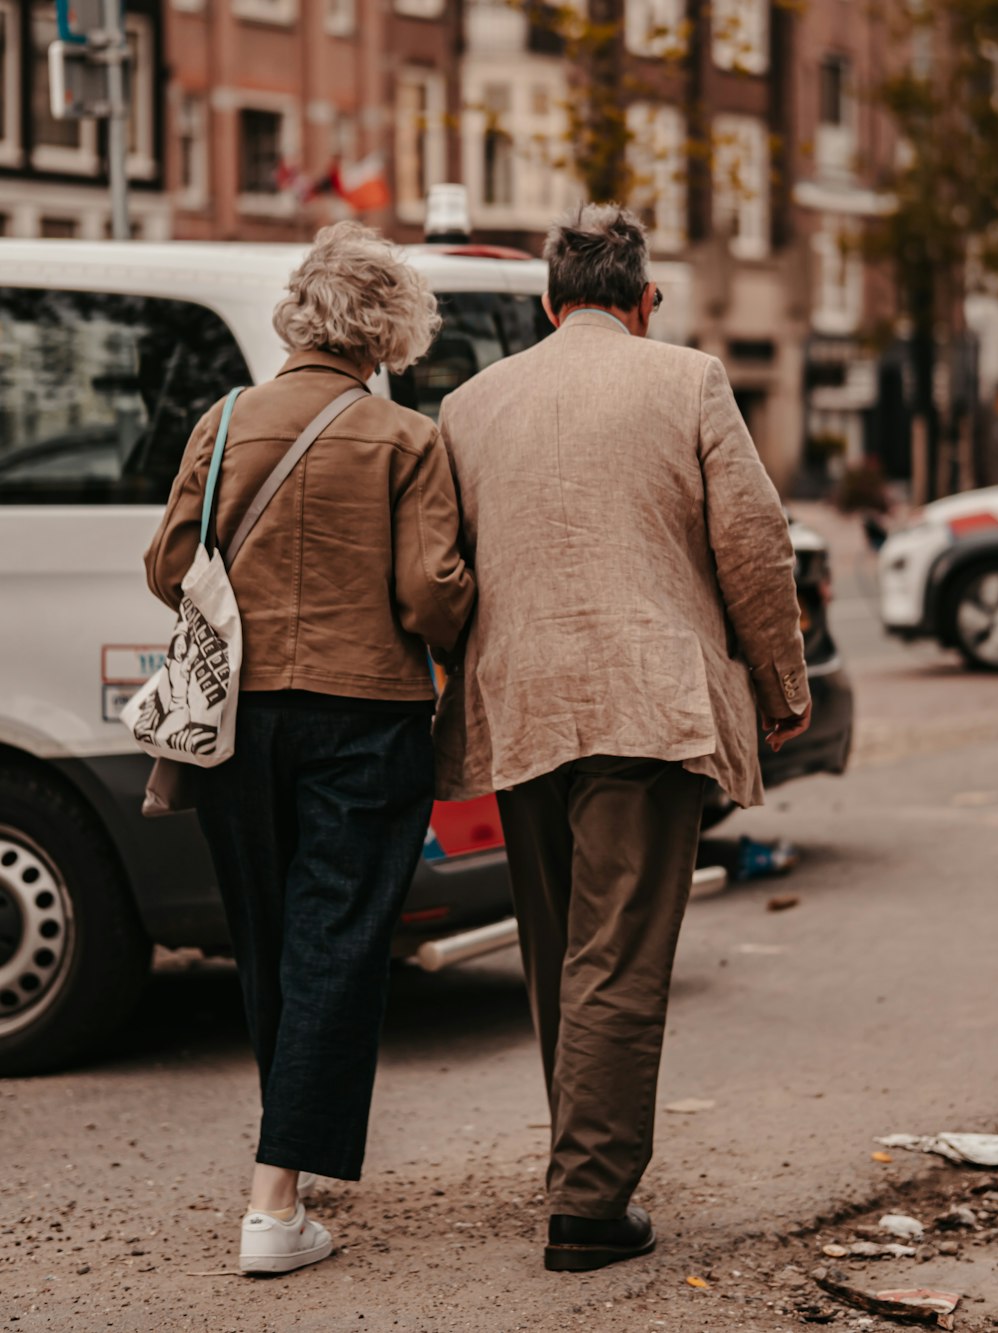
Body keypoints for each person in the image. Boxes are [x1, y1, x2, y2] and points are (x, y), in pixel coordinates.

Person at [433, 203, 810, 1273]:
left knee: (559, 952)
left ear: (546, 303)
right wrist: (780, 681)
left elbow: (440, 567)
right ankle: (588, 1206)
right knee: (621, 955)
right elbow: (751, 542)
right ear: (645, 300)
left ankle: (576, 1163)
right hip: (645, 707)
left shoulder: (469, 403)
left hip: (521, 708)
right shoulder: (684, 379)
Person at [144, 222, 475, 1275]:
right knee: (335, 941)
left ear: (300, 312)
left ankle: (279, 1182)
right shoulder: (404, 440)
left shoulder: (224, 417)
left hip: (234, 722)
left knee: (271, 935)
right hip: (363, 716)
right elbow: (431, 598)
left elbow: (166, 565)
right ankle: (275, 1200)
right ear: (386, 331)